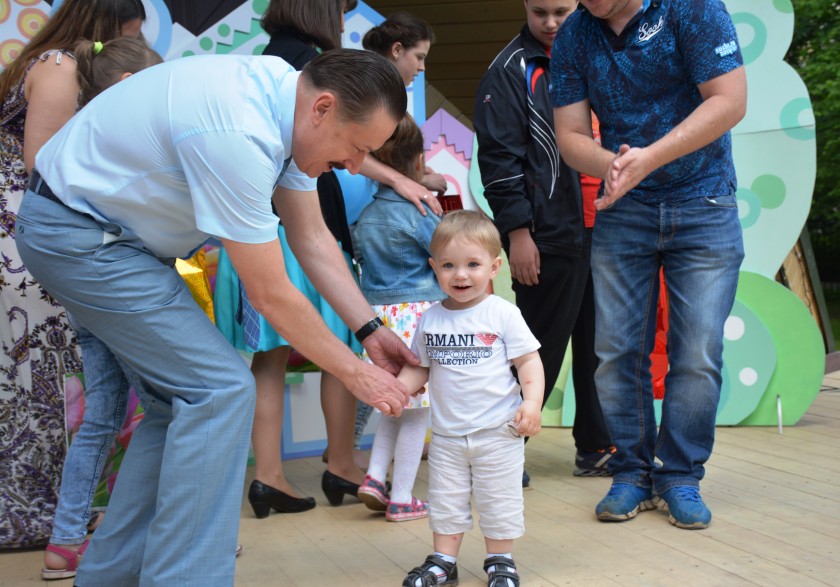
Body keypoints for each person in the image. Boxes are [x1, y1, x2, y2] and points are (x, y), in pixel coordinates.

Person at [16, 49, 414, 585]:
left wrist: (371, 332)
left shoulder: (285, 96)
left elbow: (313, 237)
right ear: (323, 108)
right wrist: (355, 372)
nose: (354, 166)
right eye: (358, 148)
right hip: (80, 237)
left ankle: (108, 576)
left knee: (174, 402)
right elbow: (271, 294)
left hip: (115, 243)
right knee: (220, 389)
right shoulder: (237, 132)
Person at [550, 0, 746, 529]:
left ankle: (680, 474)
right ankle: (632, 472)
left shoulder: (694, 9)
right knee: (615, 350)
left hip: (705, 202)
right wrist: (615, 167)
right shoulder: (574, 34)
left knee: (697, 350)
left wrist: (648, 158)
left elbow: (729, 101)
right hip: (624, 207)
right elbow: (570, 136)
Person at [0, 0, 146, 549]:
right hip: (28, 237)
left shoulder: (37, 61)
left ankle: (48, 515)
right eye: (128, 35)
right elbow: (46, 165)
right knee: (52, 380)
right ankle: (42, 516)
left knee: (37, 379)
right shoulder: (60, 67)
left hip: (22, 235)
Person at [213, 0, 367, 517]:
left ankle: (268, 475)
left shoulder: (269, 62)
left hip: (251, 239)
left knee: (269, 359)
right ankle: (342, 462)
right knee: (338, 351)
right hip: (295, 241)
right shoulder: (311, 71)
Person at [473, 0, 613, 485]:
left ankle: (597, 445)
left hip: (609, 227)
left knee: (601, 345)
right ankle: (502, 450)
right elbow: (498, 159)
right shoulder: (510, 69)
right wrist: (518, 234)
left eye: (561, 11)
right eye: (541, 13)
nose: (551, 23)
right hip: (547, 234)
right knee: (534, 348)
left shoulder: (600, 52)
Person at [38, 36, 161, 580]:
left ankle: (66, 540)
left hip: (81, 288)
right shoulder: (125, 137)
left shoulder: (77, 139)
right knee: (169, 407)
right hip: (118, 284)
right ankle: (163, 531)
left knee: (104, 416)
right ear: (128, 87)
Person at [398, 210, 544, 587]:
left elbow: (529, 361)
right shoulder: (431, 319)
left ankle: (500, 559)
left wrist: (531, 404)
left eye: (472, 264)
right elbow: (421, 367)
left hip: (499, 431)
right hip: (447, 435)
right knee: (446, 501)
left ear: (495, 266)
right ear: (434, 267)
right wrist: (399, 387)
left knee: (500, 499)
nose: (460, 275)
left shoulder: (503, 314)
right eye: (448, 265)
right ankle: (444, 562)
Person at [353, 113, 446, 522]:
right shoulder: (420, 211)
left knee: (394, 404)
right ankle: (403, 496)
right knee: (417, 413)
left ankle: (375, 477)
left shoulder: (366, 218)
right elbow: (444, 257)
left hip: (376, 320)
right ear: (418, 162)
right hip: (416, 319)